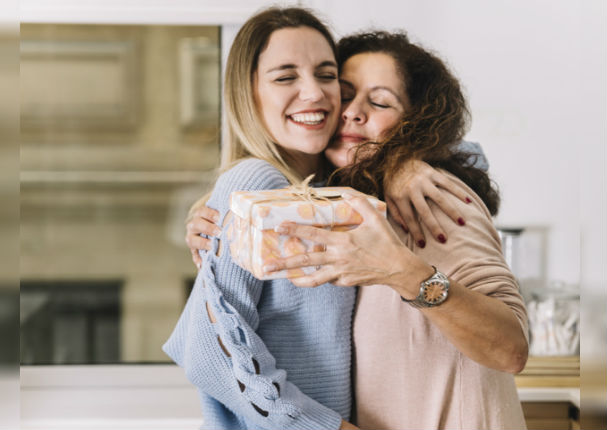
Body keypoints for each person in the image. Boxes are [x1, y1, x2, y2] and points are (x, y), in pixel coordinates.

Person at [187, 30, 529, 430]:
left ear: (417, 122)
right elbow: (210, 340)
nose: (352, 112)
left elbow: (511, 350)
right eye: (345, 94)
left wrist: (405, 270)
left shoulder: (430, 200)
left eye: (380, 101)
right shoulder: (341, 199)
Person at [163, 8, 359, 430]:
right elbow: (211, 348)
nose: (314, 93)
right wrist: (323, 426)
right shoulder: (255, 182)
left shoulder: (334, 189)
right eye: (285, 77)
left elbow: (469, 157)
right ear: (247, 94)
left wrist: (412, 167)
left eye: (326, 75)